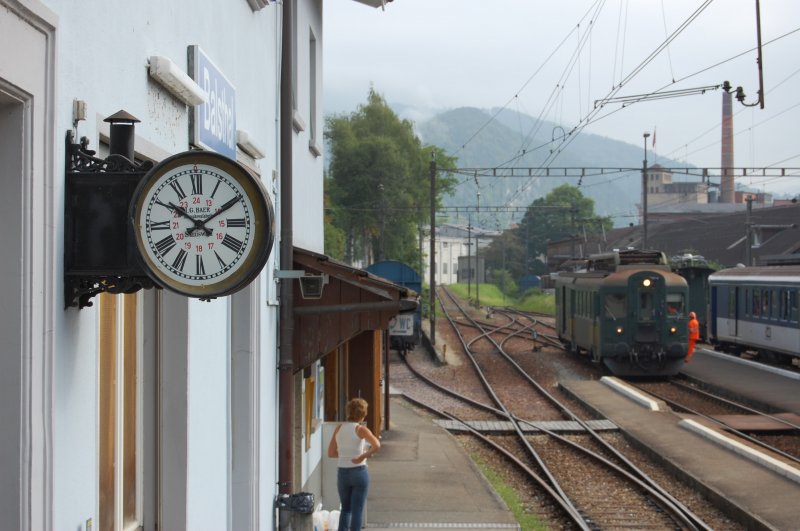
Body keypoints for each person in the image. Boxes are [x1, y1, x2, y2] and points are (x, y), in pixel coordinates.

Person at [327, 398, 381, 531]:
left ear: (348, 412)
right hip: (359, 472)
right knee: (357, 510)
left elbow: (331, 453)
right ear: (363, 415)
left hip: (343, 473)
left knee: (345, 509)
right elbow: (376, 445)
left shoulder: (339, 428)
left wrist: (345, 455)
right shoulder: (360, 429)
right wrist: (362, 456)